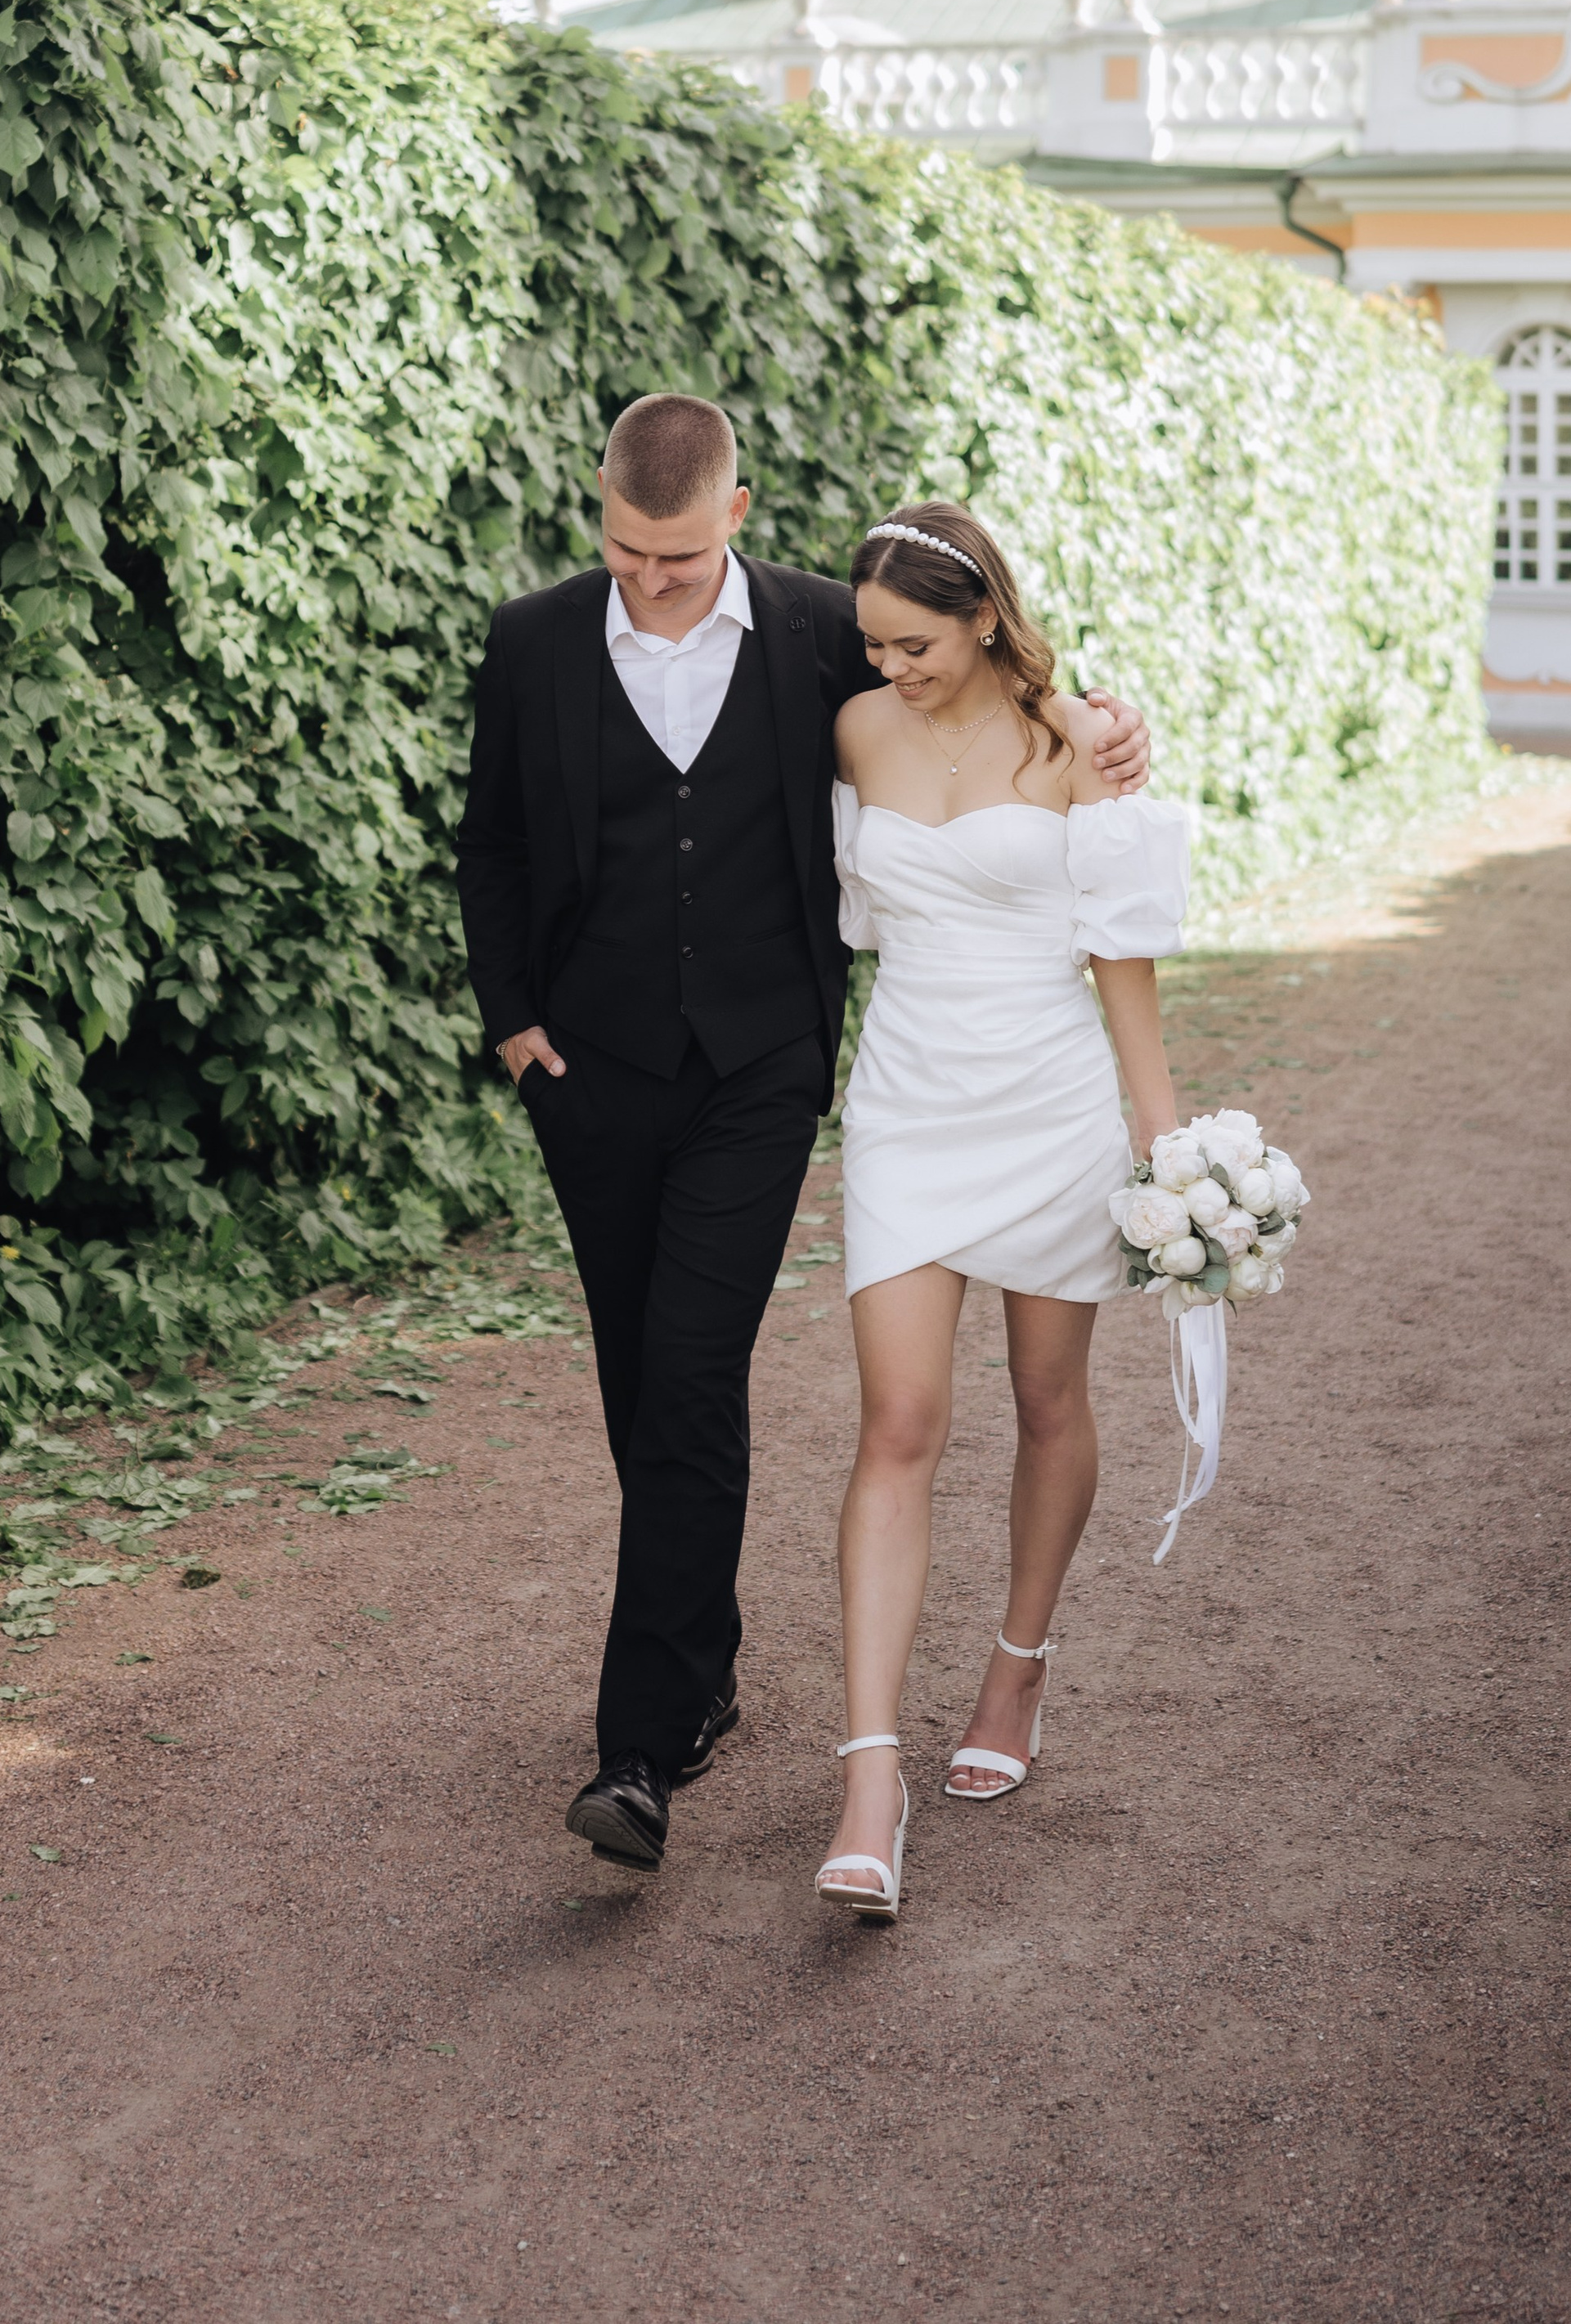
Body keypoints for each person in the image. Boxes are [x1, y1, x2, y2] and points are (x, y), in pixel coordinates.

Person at [455, 400, 1154, 1873]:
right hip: (589, 1067)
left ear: (741, 513)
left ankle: (638, 1753)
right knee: (642, 1374)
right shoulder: (528, 642)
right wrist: (513, 1017)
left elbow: (977, 674)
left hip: (766, 1067)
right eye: (626, 549)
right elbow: (496, 841)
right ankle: (697, 1661)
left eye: (682, 551)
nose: (651, 577)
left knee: (700, 1368)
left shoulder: (833, 627)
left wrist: (1110, 722)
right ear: (598, 514)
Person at [814, 500, 1187, 1920]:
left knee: (1047, 1401)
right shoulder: (853, 730)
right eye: (874, 646)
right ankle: (867, 1780)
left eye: (915, 643)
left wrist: (1167, 1145)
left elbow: (1122, 957)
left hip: (1048, 1104)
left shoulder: (1083, 740)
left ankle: (1017, 1670)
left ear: (984, 619)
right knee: (897, 1423)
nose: (894, 668)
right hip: (908, 1098)